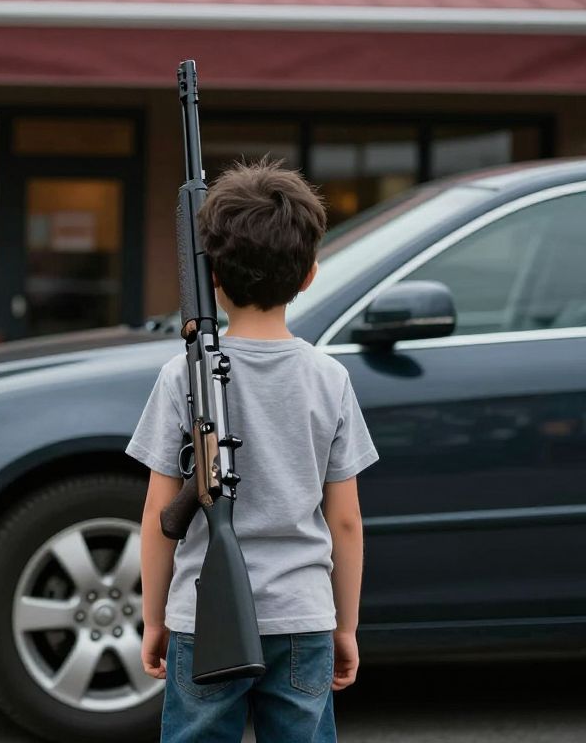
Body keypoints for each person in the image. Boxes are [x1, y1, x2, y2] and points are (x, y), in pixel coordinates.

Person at [127, 160, 379, 742]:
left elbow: (158, 515)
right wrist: (345, 626)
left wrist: (154, 617)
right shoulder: (330, 379)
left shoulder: (180, 377)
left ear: (210, 274)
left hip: (200, 616)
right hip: (303, 616)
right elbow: (345, 520)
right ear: (310, 274)